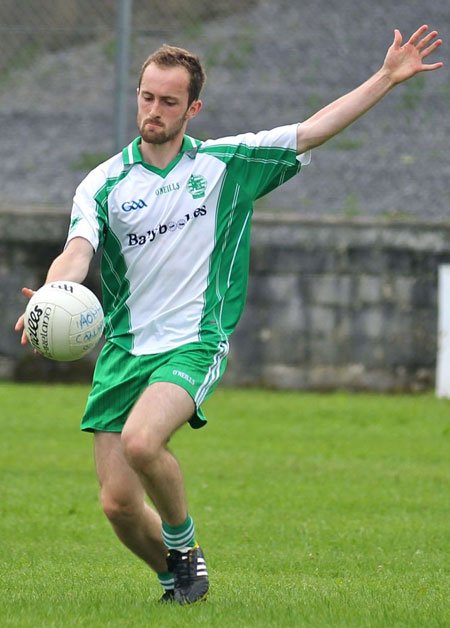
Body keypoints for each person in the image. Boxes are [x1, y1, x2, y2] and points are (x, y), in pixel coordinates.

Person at [15, 25, 442, 605]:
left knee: (143, 444)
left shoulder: (226, 164)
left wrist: (387, 78)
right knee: (116, 502)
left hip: (194, 341)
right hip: (124, 348)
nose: (154, 110)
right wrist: (50, 295)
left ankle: (186, 549)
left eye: (169, 101)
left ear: (193, 108)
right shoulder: (104, 182)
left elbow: (314, 128)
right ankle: (176, 582)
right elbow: (77, 251)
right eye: (146, 96)